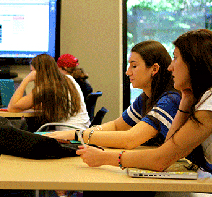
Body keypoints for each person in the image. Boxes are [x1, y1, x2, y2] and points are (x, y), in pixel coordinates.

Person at [77, 29, 212, 178]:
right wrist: (185, 101)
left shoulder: (208, 104)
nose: (170, 67)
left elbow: (160, 159)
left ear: (193, 63)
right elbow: (170, 146)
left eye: (175, 58)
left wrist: (104, 157)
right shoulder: (196, 98)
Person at [47, 40, 181, 149]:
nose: (128, 72)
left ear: (154, 69)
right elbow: (117, 126)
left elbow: (129, 139)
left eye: (134, 66)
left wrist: (77, 135)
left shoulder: (170, 101)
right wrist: (85, 133)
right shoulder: (145, 98)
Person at [7, 53, 90, 130]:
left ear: (38, 72)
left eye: (32, 71)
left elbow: (12, 108)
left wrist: (26, 80)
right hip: (83, 129)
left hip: (68, 131)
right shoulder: (68, 79)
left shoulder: (46, 86)